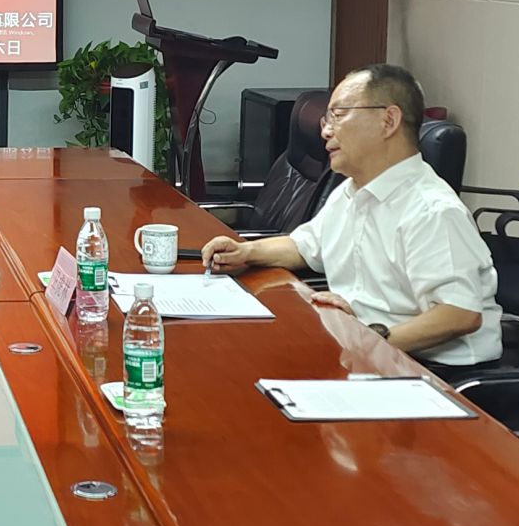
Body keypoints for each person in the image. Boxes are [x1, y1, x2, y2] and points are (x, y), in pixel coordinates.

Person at [202, 63, 500, 380]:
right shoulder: (351, 190)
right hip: (364, 349)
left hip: (435, 373)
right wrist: (246, 251)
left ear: (388, 121)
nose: (326, 131)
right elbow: (305, 246)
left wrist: (370, 339)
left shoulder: (432, 209)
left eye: (339, 115)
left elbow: (460, 313)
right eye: (326, 119)